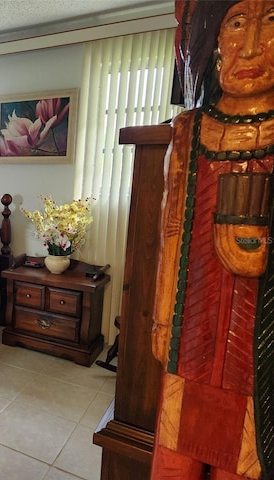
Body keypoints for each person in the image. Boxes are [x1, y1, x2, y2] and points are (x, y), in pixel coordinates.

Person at [151, 0, 274, 479]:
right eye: (237, 23)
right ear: (216, 42)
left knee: (242, 460)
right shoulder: (189, 129)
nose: (250, 44)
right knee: (176, 448)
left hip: (256, 332)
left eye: (270, 24)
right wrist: (163, 319)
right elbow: (171, 229)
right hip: (191, 322)